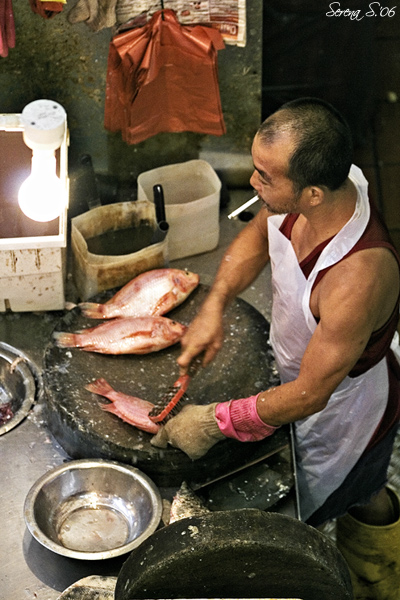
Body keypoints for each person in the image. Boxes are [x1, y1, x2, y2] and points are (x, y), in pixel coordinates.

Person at [151, 98, 400, 595]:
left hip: (345, 418)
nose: (253, 185)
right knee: (355, 490)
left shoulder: (357, 278)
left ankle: (381, 570)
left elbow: (310, 396)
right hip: (301, 378)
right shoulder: (321, 189)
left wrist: (213, 421)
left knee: (350, 493)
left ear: (311, 193)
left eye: (265, 177)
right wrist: (215, 304)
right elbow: (260, 236)